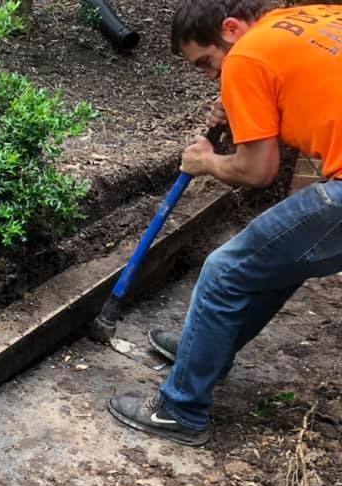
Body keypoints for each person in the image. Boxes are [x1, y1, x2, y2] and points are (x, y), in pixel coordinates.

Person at [107, 0, 342, 446]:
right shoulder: (311, 18)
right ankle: (204, 353)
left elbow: (258, 172)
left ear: (231, 28)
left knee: (224, 270)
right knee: (279, 264)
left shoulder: (248, 54)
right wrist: (241, 104)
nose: (213, 77)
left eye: (208, 64)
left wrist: (206, 161)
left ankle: (180, 409)